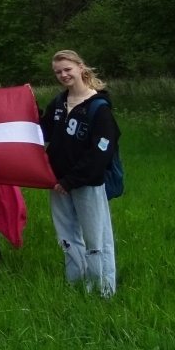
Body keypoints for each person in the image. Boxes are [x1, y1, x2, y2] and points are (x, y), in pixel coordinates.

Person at [40, 50, 119, 296]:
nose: (63, 75)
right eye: (58, 72)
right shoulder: (58, 103)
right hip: (57, 183)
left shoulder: (99, 107)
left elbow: (101, 151)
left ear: (81, 68)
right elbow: (43, 134)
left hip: (86, 183)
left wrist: (72, 180)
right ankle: (76, 284)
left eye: (67, 69)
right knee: (67, 237)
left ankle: (103, 289)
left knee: (96, 239)